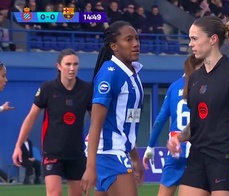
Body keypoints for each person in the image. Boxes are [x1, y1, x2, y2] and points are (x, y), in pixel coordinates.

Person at [167, 15, 229, 196]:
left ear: (213, 39)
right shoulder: (195, 78)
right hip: (196, 158)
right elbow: (198, 122)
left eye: (194, 38)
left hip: (223, 159)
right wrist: (179, 137)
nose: (190, 44)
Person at [12, 49, 92, 196]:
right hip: (52, 152)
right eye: (68, 64)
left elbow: (97, 120)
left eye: (75, 64)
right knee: (54, 193)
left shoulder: (86, 90)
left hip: (76, 153)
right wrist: (18, 145)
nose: (72, 68)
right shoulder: (47, 89)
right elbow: (30, 118)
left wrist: (93, 136)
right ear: (59, 66)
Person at [81, 21, 144, 196]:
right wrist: (91, 166)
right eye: (129, 39)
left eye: (137, 39)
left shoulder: (132, 74)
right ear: (114, 46)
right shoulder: (109, 73)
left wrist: (135, 158)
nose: (136, 44)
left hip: (116, 151)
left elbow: (126, 123)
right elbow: (95, 124)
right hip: (108, 153)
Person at [142, 55, 204, 196]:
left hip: (176, 149)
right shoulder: (203, 86)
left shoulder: (174, 87)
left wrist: (150, 147)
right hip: (198, 148)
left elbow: (160, 120)